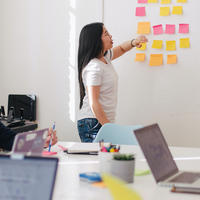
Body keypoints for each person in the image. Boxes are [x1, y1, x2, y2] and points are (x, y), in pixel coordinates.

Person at [77, 22, 148, 142]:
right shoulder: (94, 67)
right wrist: (109, 128)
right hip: (92, 122)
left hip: (101, 122)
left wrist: (134, 42)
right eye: (106, 34)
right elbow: (94, 103)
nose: (110, 36)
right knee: (102, 158)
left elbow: (121, 48)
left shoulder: (105, 58)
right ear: (96, 40)